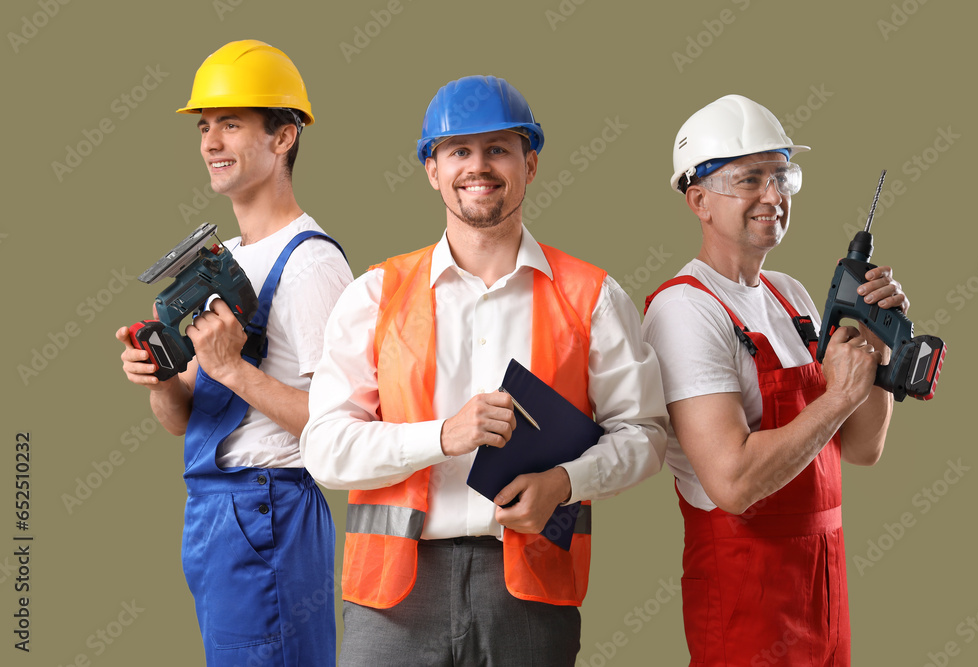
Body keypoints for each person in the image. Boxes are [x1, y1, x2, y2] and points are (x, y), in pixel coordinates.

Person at [299, 75, 668, 666]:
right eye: (459, 151)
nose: (479, 166)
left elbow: (646, 435)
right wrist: (443, 435)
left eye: (498, 148)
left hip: (530, 590)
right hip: (394, 593)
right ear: (431, 168)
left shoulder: (591, 296)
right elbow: (323, 448)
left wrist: (564, 483)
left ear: (531, 163)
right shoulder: (378, 295)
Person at [642, 94, 910, 665]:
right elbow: (733, 482)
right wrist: (838, 393)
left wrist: (878, 349)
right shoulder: (685, 310)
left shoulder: (791, 296)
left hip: (825, 583)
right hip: (746, 593)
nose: (774, 195)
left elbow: (862, 448)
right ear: (699, 200)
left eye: (782, 175)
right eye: (749, 179)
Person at [114, 40, 351, 666]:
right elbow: (185, 424)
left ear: (284, 137)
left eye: (232, 124)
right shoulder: (230, 261)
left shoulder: (312, 265)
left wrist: (228, 367)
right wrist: (161, 380)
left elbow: (342, 426)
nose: (211, 142)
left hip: (272, 508)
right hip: (215, 510)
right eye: (205, 126)